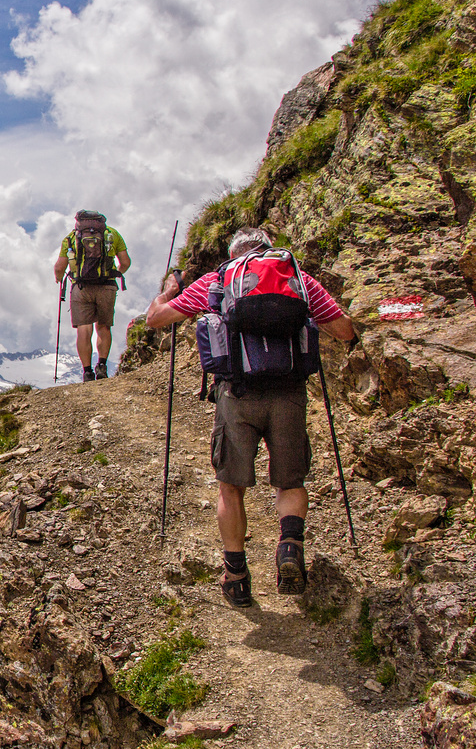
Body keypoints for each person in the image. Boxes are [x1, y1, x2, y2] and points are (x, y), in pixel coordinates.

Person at [143, 226, 357, 607]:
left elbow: (156, 320)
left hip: (236, 394)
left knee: (230, 485)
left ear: (232, 251)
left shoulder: (217, 281)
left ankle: (236, 575)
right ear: (269, 249)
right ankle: (290, 546)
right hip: (288, 394)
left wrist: (167, 294)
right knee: (290, 480)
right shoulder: (298, 280)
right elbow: (343, 330)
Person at [53, 210, 131, 381]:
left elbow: (59, 267)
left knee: (84, 329)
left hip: (80, 287)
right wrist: (115, 273)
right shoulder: (112, 234)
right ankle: (102, 365)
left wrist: (59, 279)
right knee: (103, 327)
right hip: (106, 285)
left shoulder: (71, 237)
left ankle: (87, 371)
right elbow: (125, 262)